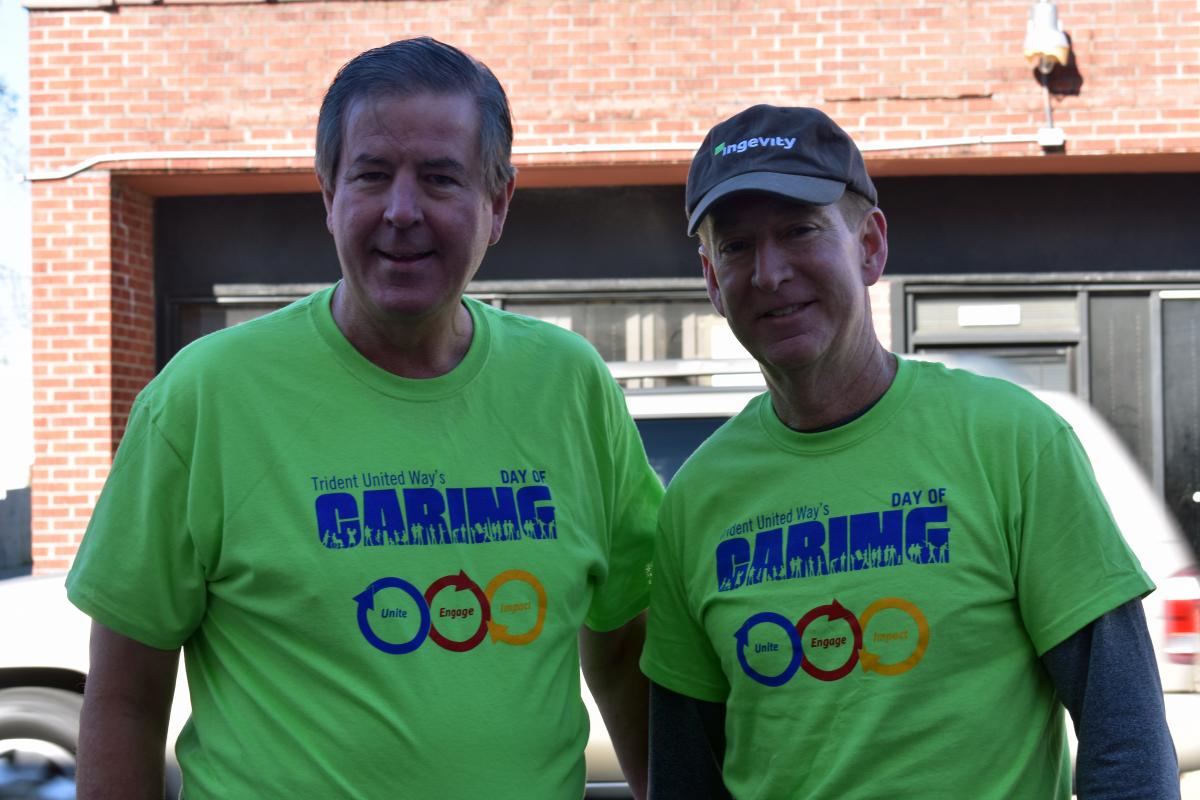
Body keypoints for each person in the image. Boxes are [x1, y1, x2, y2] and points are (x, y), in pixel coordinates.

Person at [66, 37, 662, 799]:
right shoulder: (205, 396)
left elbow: (625, 647)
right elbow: (124, 698)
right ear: (328, 196)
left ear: (499, 204)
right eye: (372, 175)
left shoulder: (570, 385)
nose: (402, 211)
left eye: (440, 178)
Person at [639, 104, 1180, 799]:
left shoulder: (1011, 441)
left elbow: (1126, 737)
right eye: (737, 246)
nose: (769, 273)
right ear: (712, 280)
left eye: (800, 231)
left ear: (870, 245)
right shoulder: (696, 498)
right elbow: (685, 776)